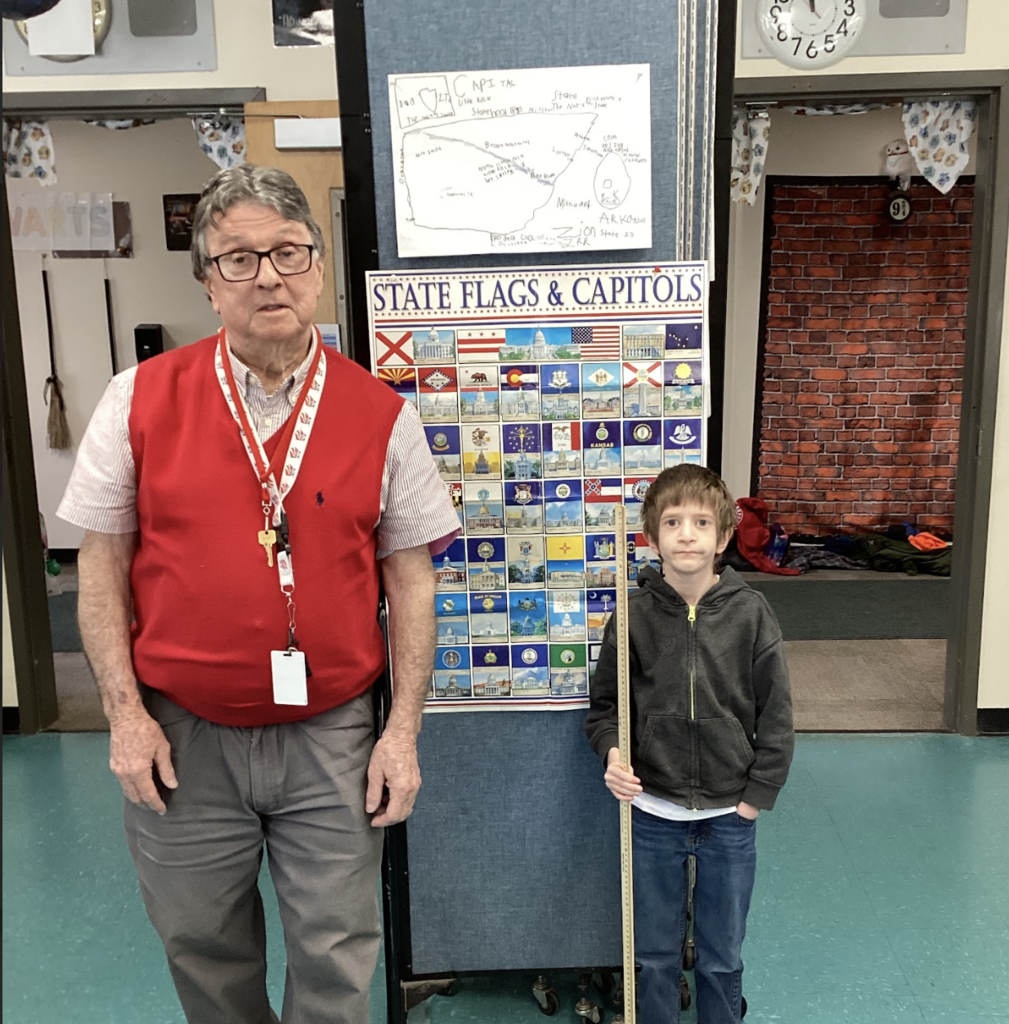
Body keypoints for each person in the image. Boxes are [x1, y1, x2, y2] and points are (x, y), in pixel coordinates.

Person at [57, 165, 460, 1024]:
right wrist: (125, 720)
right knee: (201, 943)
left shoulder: (381, 414)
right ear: (207, 281)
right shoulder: (137, 400)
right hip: (181, 736)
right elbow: (99, 565)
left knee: (336, 948)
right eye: (238, 258)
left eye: (286, 252)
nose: (267, 275)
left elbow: (412, 580)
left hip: (332, 738)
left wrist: (402, 734)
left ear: (318, 267)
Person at [585, 465, 794, 1024]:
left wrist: (756, 794)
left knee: (722, 957)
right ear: (651, 538)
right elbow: (605, 708)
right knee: (653, 956)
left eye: (701, 522)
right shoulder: (630, 616)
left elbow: (778, 714)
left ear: (723, 537)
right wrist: (613, 756)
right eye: (672, 522)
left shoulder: (751, 614)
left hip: (730, 812)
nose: (686, 534)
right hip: (652, 810)